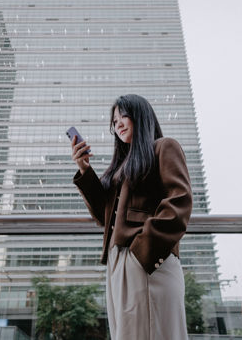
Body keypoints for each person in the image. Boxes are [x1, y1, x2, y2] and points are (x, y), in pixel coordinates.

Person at [71, 93, 192, 340]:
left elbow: (179, 202)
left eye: (124, 115)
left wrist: (142, 251)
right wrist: (85, 169)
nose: (119, 124)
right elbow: (104, 216)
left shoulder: (164, 147)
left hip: (146, 258)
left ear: (141, 115)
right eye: (114, 121)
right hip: (119, 262)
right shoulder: (121, 167)